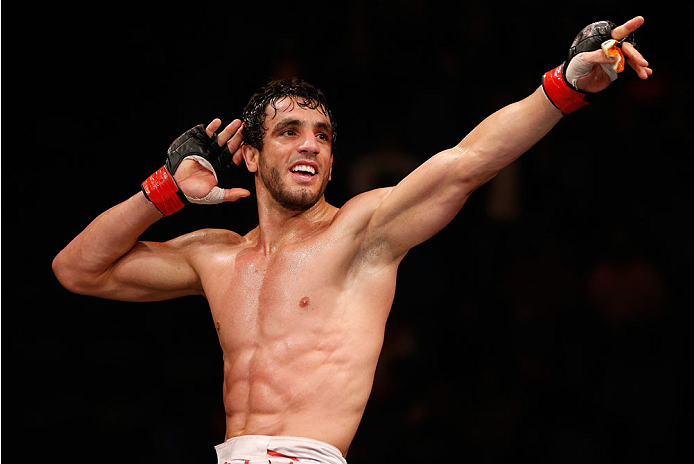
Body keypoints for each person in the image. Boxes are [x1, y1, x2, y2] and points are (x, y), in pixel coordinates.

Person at [52, 16, 651, 464]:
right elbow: (79, 270)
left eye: (322, 136)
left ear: (333, 162)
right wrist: (165, 193)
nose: (310, 145)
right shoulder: (214, 254)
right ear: (252, 155)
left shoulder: (361, 232)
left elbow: (467, 160)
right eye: (289, 132)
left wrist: (568, 83)